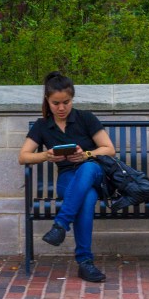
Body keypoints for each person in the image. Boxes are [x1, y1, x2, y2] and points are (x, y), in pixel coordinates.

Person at [18, 71, 116, 282]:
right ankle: (85, 262)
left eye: (66, 102)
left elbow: (109, 149)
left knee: (88, 168)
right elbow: (23, 156)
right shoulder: (42, 125)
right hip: (67, 177)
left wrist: (86, 154)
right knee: (87, 198)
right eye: (56, 103)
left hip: (95, 172)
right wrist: (46, 155)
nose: (61, 108)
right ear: (47, 101)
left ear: (72, 99)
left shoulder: (85, 118)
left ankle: (60, 224)